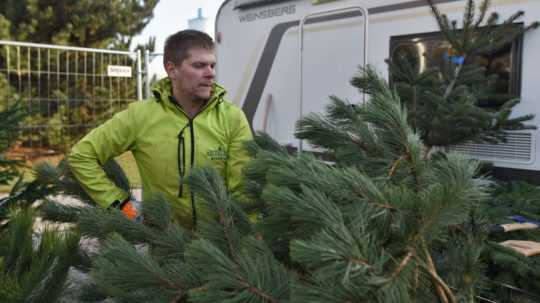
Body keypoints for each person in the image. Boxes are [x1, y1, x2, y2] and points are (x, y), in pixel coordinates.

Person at [68, 30, 253, 229]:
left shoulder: (232, 118)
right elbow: (81, 155)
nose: (211, 73)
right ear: (172, 70)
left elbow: (244, 190)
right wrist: (124, 207)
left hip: (221, 248)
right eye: (199, 65)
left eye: (212, 65)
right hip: (164, 245)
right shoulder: (140, 116)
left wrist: (245, 239)